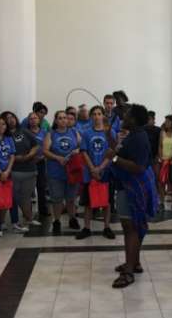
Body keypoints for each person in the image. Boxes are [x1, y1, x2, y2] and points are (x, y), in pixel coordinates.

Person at [105, 104, 158, 288]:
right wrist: (107, 134)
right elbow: (119, 151)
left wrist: (114, 159)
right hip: (127, 186)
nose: (123, 117)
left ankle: (128, 272)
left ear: (134, 119)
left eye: (126, 114)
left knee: (131, 229)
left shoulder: (139, 138)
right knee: (133, 227)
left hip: (132, 188)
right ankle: (133, 263)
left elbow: (138, 167)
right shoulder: (133, 135)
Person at [76, 105, 116, 240]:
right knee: (88, 202)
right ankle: (86, 228)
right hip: (90, 172)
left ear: (103, 116)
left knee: (107, 202)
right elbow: (84, 151)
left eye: (99, 114)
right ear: (91, 117)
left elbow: (112, 152)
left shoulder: (109, 132)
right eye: (94, 114)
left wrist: (100, 168)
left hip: (106, 171)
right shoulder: (87, 133)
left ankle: (106, 227)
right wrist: (92, 168)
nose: (97, 116)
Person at [43, 110, 81, 234]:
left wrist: (77, 151)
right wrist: (58, 158)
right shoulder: (51, 134)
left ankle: (72, 218)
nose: (63, 120)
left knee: (71, 198)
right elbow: (45, 151)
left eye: (65, 117)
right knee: (57, 199)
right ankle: (57, 221)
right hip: (56, 172)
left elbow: (82, 146)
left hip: (72, 171)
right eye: (60, 118)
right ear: (56, 120)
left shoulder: (74, 132)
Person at [2, 111, 40, 230]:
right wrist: (15, 158)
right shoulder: (4, 136)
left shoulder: (24, 130)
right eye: (7, 118)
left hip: (30, 169)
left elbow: (36, 145)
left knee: (26, 196)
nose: (11, 120)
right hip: (14, 171)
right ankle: (10, 222)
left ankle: (29, 219)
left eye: (12, 117)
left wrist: (29, 155)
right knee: (15, 197)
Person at [26, 112, 49, 218]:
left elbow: (47, 147)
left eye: (35, 118)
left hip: (41, 162)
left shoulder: (44, 132)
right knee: (29, 189)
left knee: (41, 187)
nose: (33, 120)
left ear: (39, 120)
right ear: (28, 121)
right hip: (29, 163)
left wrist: (42, 157)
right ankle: (28, 213)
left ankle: (43, 210)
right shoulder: (25, 133)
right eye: (31, 118)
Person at [158, 115, 172, 210]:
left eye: (168, 121)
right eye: (165, 121)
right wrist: (161, 157)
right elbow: (160, 146)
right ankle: (162, 201)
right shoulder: (162, 133)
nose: (166, 123)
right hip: (163, 160)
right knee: (162, 182)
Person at [145, 111, 161, 179]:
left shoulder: (158, 130)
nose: (148, 121)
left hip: (155, 157)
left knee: (156, 177)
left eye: (149, 119)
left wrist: (158, 155)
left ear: (154, 120)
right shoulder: (142, 129)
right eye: (147, 119)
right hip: (145, 157)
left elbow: (160, 144)